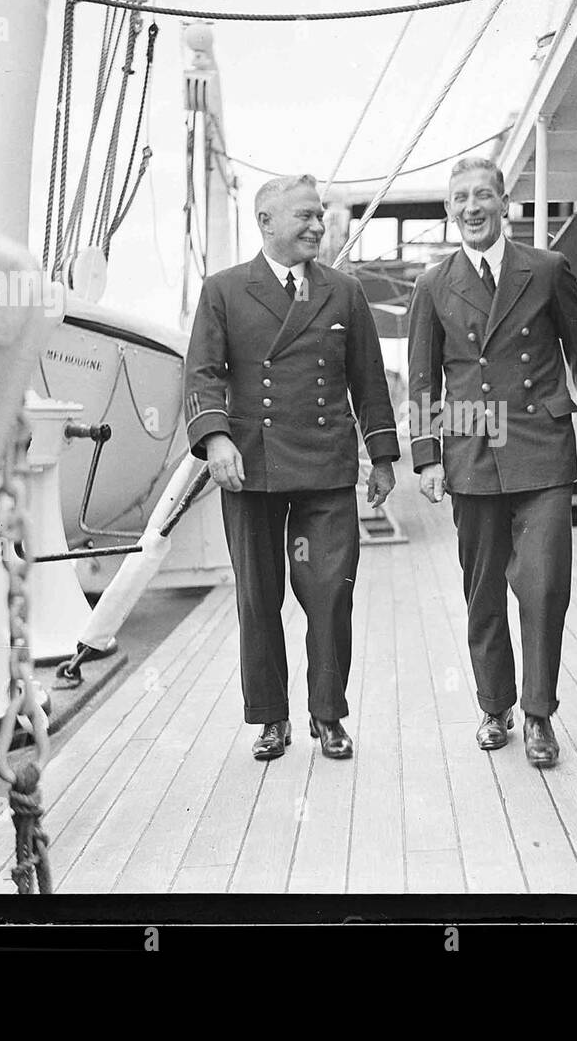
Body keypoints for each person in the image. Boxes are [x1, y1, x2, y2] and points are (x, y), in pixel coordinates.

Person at [406, 158, 577, 768]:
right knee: (482, 589)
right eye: (459, 199)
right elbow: (423, 380)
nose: (471, 207)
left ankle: (539, 714)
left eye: (482, 197)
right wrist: (425, 458)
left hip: (542, 447)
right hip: (470, 449)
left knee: (545, 585)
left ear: (505, 204)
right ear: (450, 210)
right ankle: (493, 705)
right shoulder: (432, 285)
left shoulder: (547, 270)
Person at [184, 174, 398, 761]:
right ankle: (270, 718)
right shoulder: (224, 290)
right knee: (259, 595)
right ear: (266, 222)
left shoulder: (344, 292)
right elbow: (202, 374)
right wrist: (215, 439)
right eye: (303, 216)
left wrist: (381, 456)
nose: (316, 225)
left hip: (326, 470)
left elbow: (368, 380)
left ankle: (328, 715)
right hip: (251, 469)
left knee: (330, 592)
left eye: (319, 216)